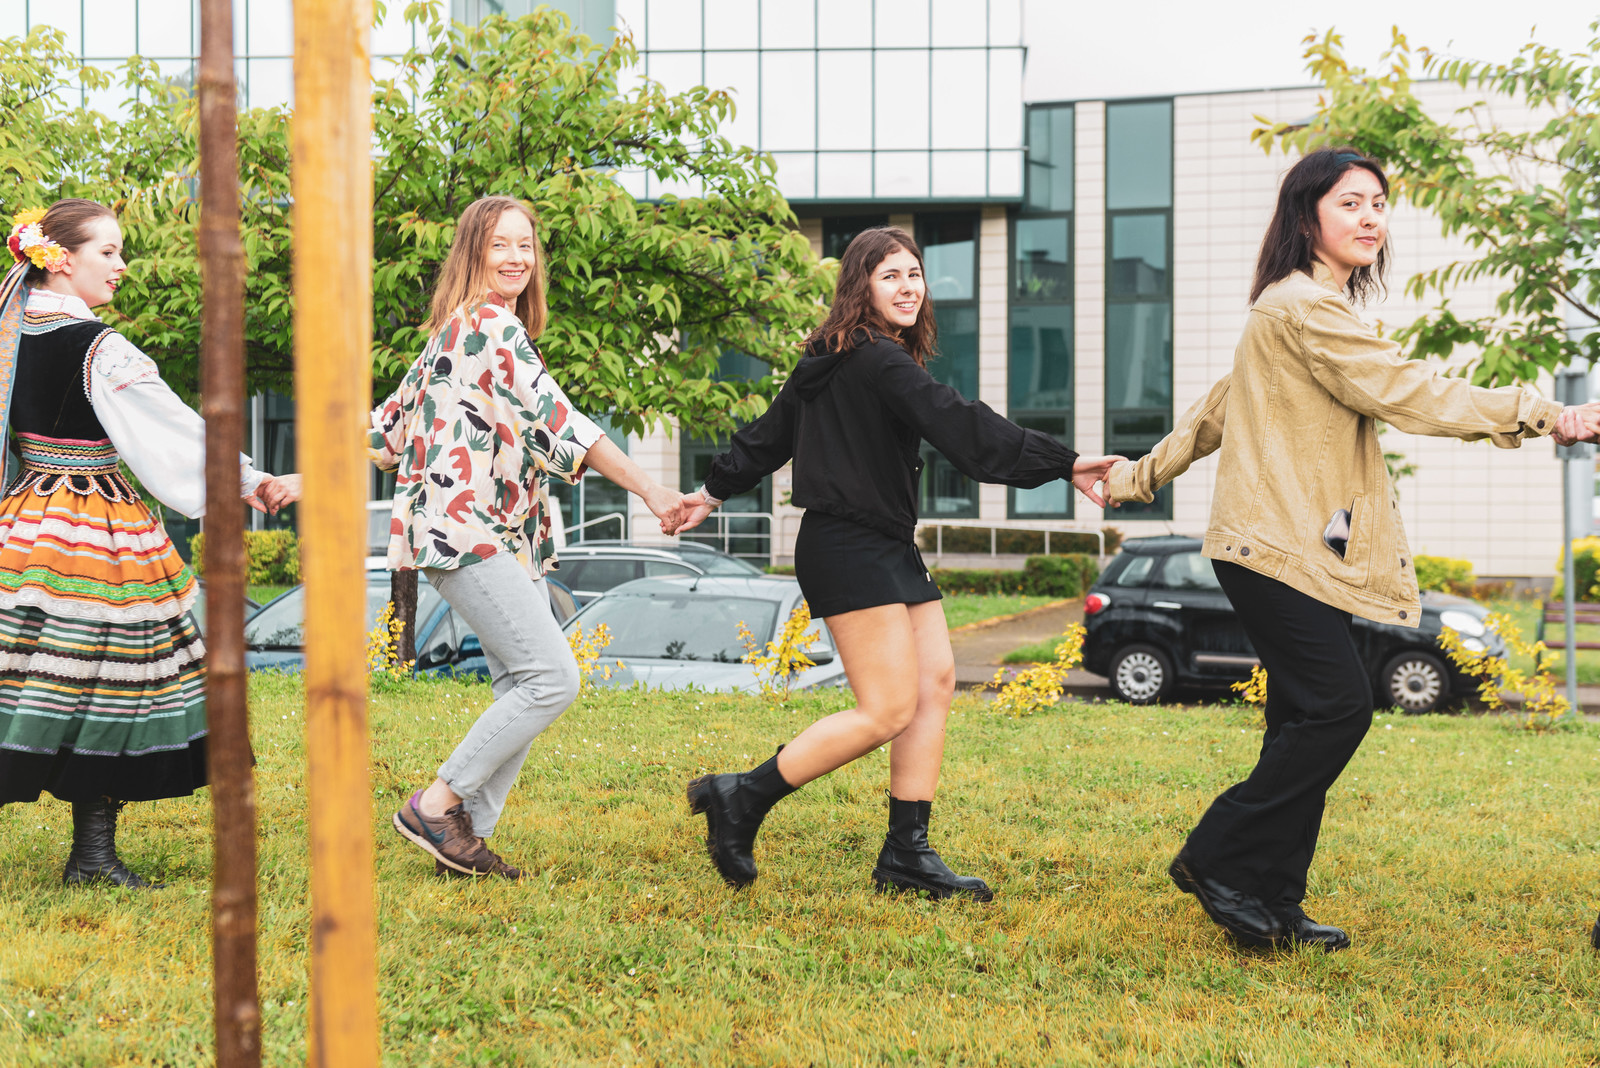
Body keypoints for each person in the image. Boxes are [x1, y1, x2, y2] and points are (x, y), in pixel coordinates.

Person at [1100, 147, 1588, 950]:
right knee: (1338, 708)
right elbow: (1410, 392)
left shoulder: (1296, 309)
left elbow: (1217, 409)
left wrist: (1135, 477)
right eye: (1350, 203)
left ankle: (1271, 904)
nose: (1370, 218)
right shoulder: (1305, 309)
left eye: (1379, 204)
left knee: (1299, 716)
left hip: (1293, 544)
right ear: (1307, 218)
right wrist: (1542, 413)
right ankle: (1218, 857)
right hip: (1273, 544)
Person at [671, 226, 1123, 900]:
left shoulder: (834, 356)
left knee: (935, 683)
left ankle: (906, 854)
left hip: (883, 542)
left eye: (915, 274)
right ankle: (740, 796)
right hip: (848, 544)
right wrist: (1066, 462)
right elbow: (962, 425)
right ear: (861, 286)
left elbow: (767, 437)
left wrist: (709, 493)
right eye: (891, 276)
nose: (909, 287)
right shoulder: (875, 359)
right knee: (885, 708)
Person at [344, 195, 684, 879]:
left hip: (488, 532)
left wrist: (299, 478)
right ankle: (436, 806)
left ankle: (464, 839)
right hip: (467, 532)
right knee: (552, 678)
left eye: (525, 245)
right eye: (500, 244)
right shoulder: (491, 326)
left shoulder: (455, 328)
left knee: (518, 684)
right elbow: (564, 424)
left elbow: (384, 430)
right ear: (474, 252)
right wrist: (651, 490)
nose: (516, 258)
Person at [0, 199, 290, 887]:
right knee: (117, 683)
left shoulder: (10, 333)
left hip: (23, 521)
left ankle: (92, 856)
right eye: (108, 252)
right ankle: (91, 856)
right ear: (60, 259)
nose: (122, 265)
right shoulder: (96, 346)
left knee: (23, 674)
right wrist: (251, 480)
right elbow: (174, 431)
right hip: (92, 530)